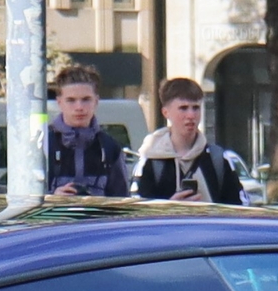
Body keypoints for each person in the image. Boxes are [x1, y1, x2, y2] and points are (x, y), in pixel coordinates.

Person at [133, 77, 245, 204]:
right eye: (183, 108)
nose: (191, 115)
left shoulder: (218, 159)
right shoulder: (151, 161)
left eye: (196, 108)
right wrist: (169, 208)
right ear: (166, 112)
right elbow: (137, 214)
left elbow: (240, 208)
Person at [44, 63, 127, 196]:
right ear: (59, 102)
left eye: (86, 99)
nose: (79, 107)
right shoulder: (43, 145)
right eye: (71, 100)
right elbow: (25, 200)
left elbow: (122, 203)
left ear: (96, 101)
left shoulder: (110, 148)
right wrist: (53, 198)